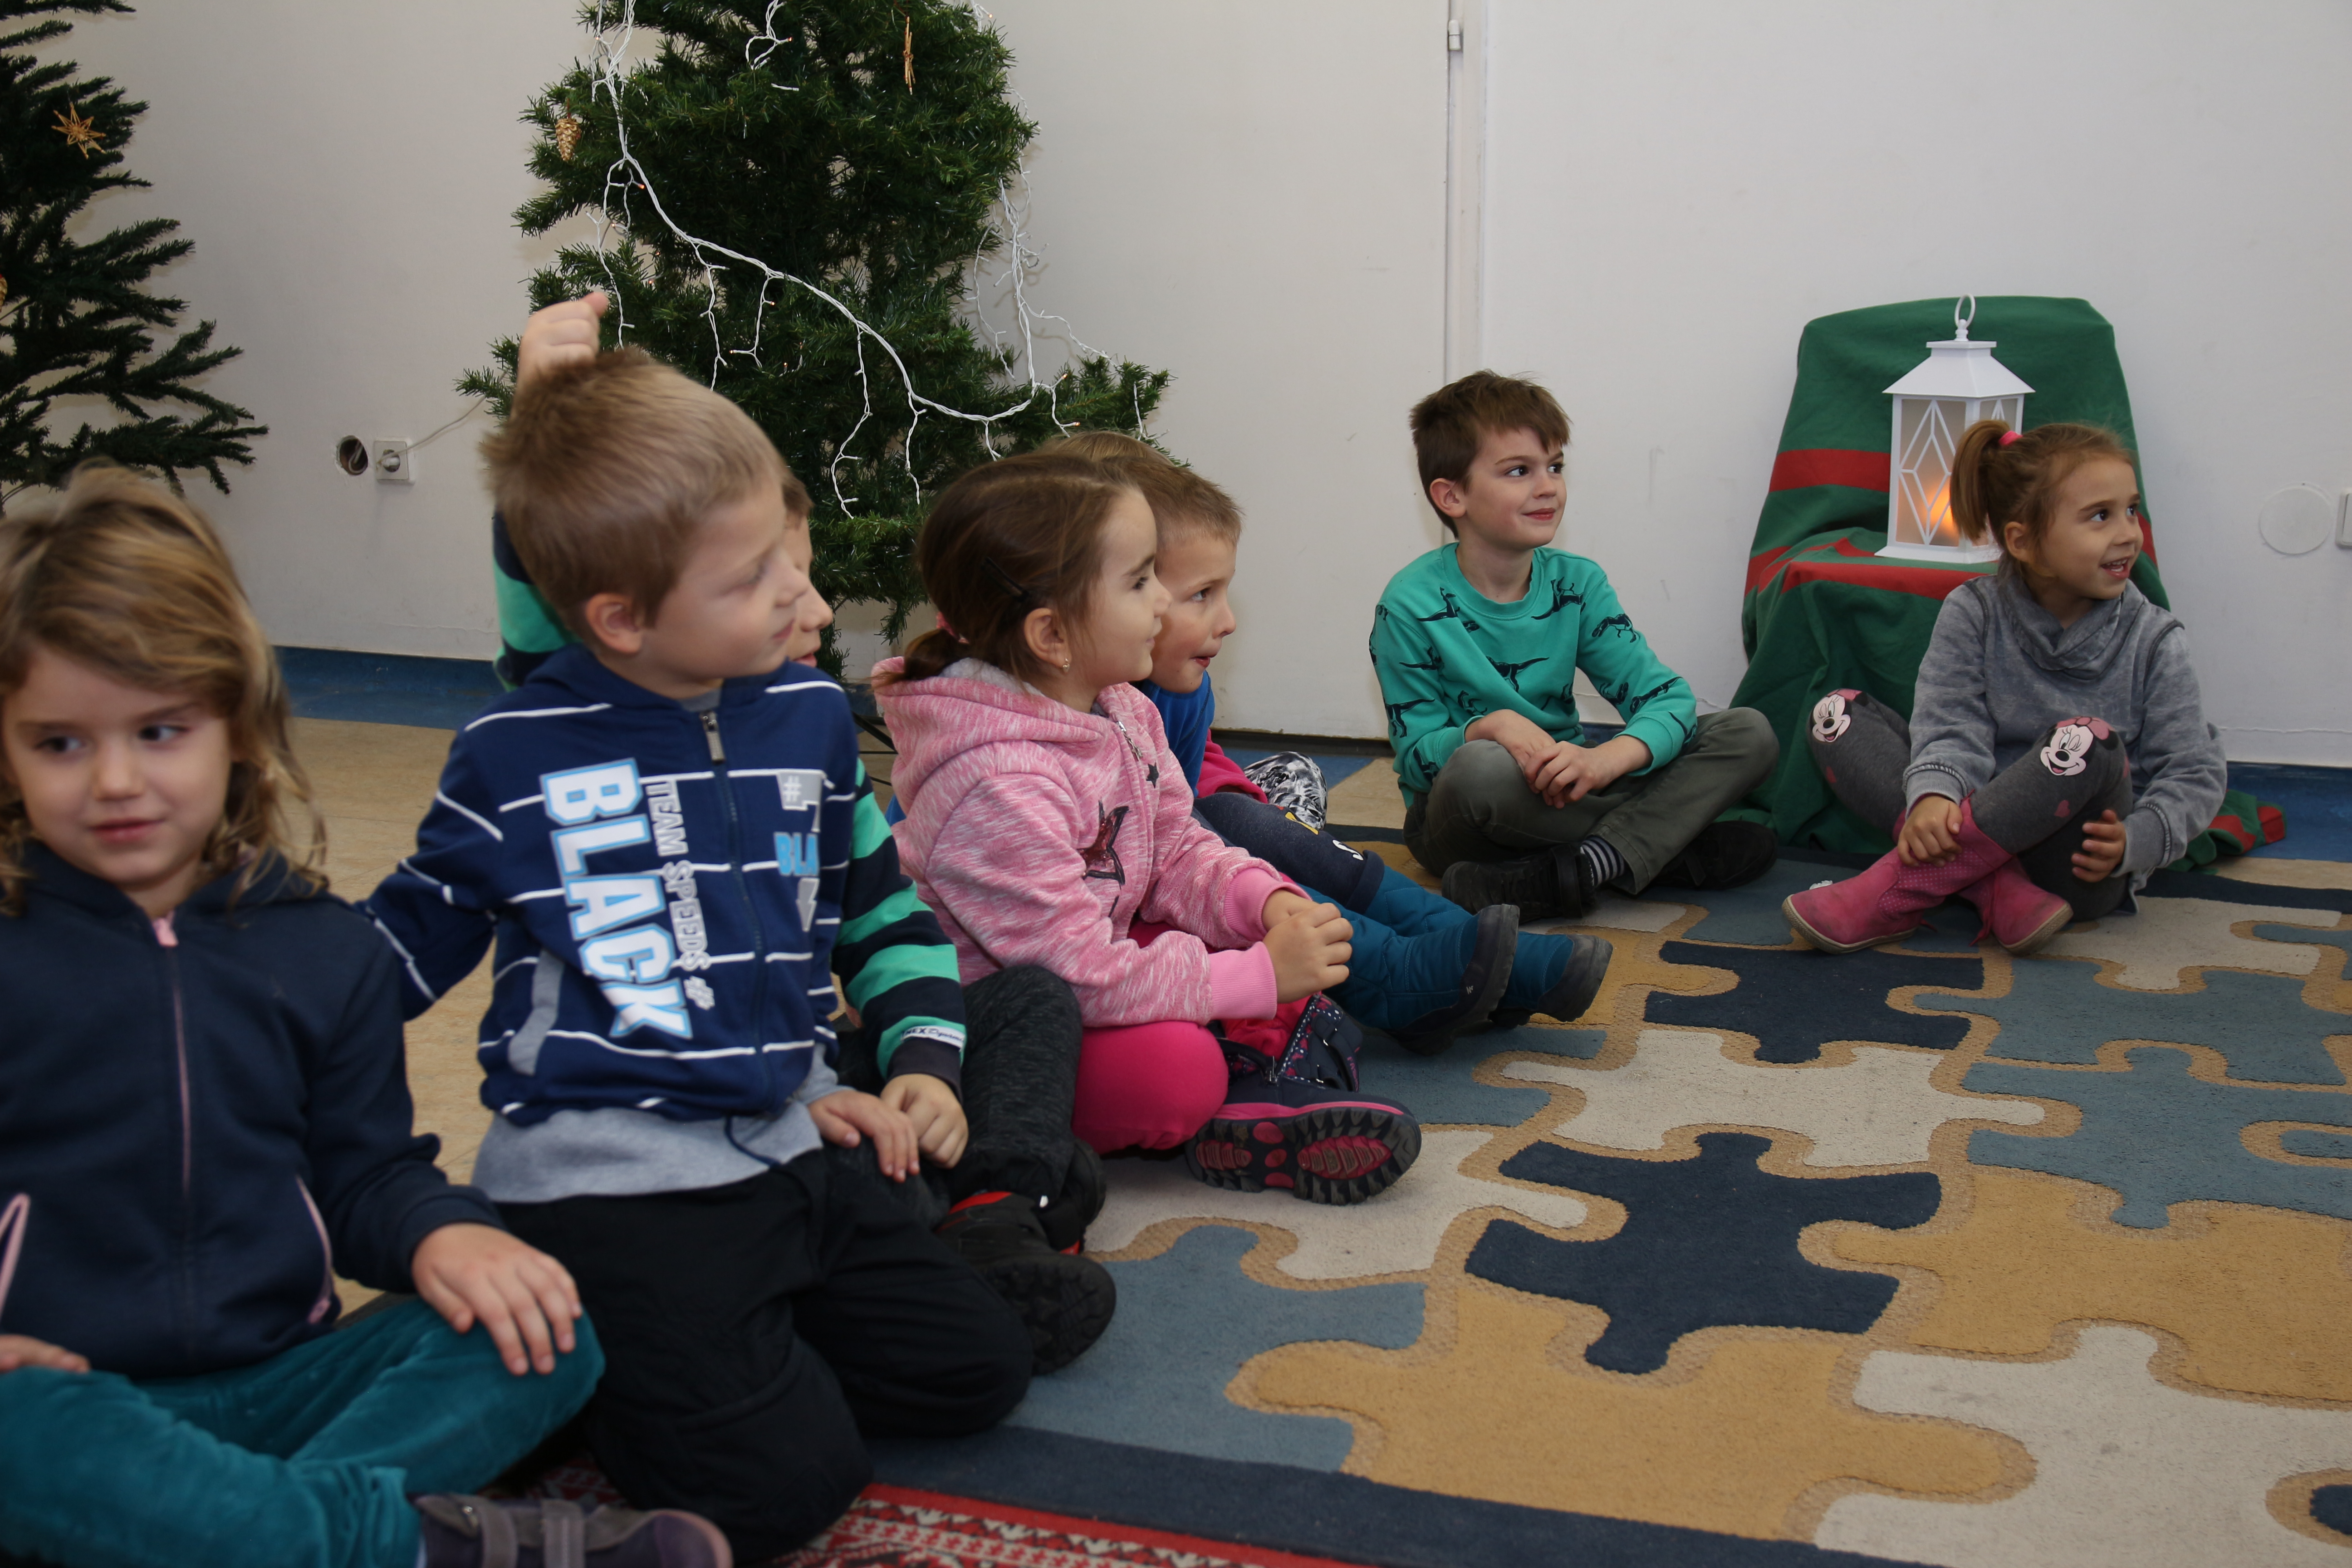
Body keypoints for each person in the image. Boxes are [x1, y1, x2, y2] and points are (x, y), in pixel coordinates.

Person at [363, 348, 1106, 1563]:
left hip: (782, 1133)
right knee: (788, 1486)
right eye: (755, 574)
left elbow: (880, 909)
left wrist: (918, 1060)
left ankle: (715, 1348)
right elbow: (390, 954)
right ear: (622, 618)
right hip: (613, 1181)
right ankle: (591, 1346)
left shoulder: (806, 715)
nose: (802, 597)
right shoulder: (515, 750)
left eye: (788, 558)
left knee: (977, 1369)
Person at [0, 469, 727, 1568]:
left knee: (546, 1329)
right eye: (59, 742)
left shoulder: (324, 948)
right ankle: (405, 1546)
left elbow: (364, 1172)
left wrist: (446, 1230)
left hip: (281, 1386)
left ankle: (256, 1536)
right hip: (60, 1399)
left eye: (159, 730)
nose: (114, 780)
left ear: (238, 725)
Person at [875, 450, 1424, 1202]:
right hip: (997, 1025)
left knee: (1269, 958)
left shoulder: (1118, 704)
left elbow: (1174, 847)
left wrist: (1259, 900)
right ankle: (1233, 1104)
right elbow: (1075, 976)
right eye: (1139, 583)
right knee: (1176, 1072)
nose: (1163, 601)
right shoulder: (994, 784)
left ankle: (1250, 1097)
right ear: (1051, 636)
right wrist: (1254, 977)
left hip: (1090, 962)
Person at [1057, 431, 1613, 1056]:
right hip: (1121, 903)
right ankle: (1391, 975)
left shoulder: (1171, 694)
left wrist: (1259, 826)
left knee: (1252, 825)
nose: (1229, 620)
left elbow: (1191, 792)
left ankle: (1464, 939)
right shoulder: (1064, 723)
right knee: (1233, 837)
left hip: (1183, 847)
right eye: (1200, 595)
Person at [1784, 421, 2225, 954]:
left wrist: (2138, 840)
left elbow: (2193, 772)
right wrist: (1935, 796)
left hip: (2075, 870)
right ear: (2023, 541)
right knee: (1834, 715)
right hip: (1975, 820)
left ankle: (1896, 890)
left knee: (2086, 740)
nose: (2129, 533)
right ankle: (1995, 885)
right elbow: (1952, 723)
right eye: (2100, 516)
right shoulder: (1973, 611)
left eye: (2131, 510)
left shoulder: (2156, 639)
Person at [1371, 372, 1780, 921]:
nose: (1549, 487)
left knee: (1748, 733)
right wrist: (1487, 729)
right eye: (1519, 471)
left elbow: (1666, 699)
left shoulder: (1578, 584)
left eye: (1556, 466)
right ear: (1453, 496)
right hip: (1469, 813)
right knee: (1479, 770)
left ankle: (1580, 868)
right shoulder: (1408, 604)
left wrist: (1605, 760)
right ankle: (1658, 847)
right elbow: (1420, 759)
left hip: (1574, 787)